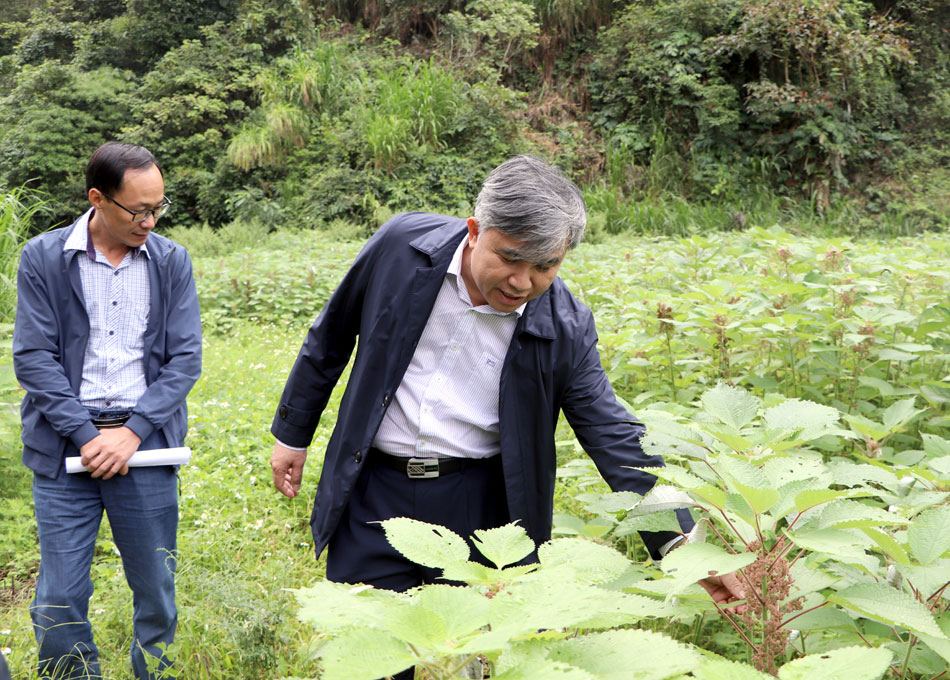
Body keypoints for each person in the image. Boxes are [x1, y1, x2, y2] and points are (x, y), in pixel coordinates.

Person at [270, 155, 743, 678]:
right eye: (511, 259)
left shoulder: (564, 325)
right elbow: (331, 335)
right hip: (372, 492)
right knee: (368, 657)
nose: (522, 282)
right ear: (475, 231)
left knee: (484, 662)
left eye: (545, 267)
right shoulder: (401, 249)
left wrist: (686, 549)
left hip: (483, 510)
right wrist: (293, 433)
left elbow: (616, 439)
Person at [13, 142, 202, 679]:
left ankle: (153, 674)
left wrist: (133, 432)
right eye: (137, 210)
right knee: (59, 596)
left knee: (155, 588)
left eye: (158, 207)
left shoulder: (171, 261)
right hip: (63, 451)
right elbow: (34, 357)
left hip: (146, 447)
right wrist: (85, 433)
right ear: (97, 199)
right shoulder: (44, 259)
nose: (150, 220)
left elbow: (185, 358)